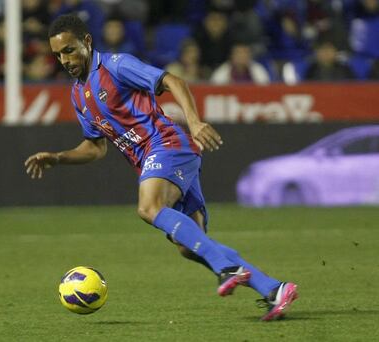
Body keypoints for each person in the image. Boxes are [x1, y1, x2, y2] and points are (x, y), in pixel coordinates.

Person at [24, 14, 298, 321]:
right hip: (158, 159)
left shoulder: (116, 65)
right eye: (59, 54)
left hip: (166, 143)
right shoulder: (78, 94)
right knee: (188, 245)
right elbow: (96, 147)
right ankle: (274, 288)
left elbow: (172, 81)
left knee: (148, 207)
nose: (65, 59)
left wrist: (194, 121)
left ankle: (228, 268)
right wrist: (58, 157)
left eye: (70, 50)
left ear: (87, 42)